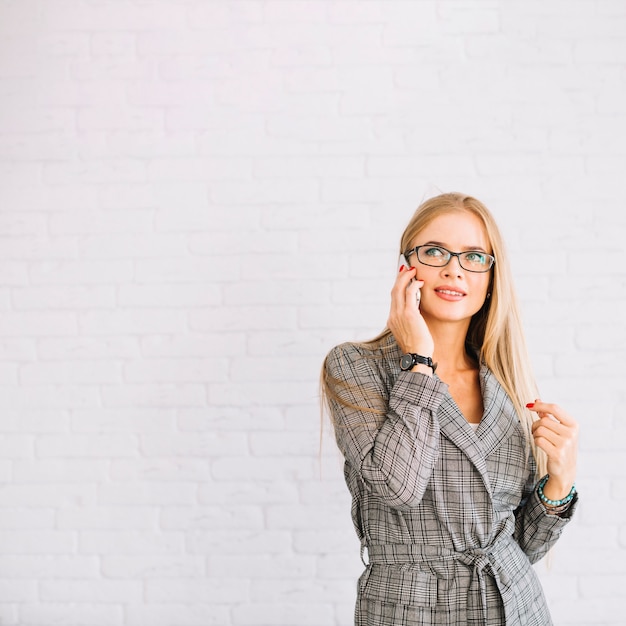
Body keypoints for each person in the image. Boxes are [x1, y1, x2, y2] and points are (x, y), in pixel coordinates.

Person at [321, 193, 578, 626]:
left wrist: (560, 482)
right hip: (410, 610)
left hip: (516, 610)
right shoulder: (354, 366)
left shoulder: (505, 383)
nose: (454, 268)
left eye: (475, 256)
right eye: (435, 251)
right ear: (407, 266)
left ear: (492, 278)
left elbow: (519, 548)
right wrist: (418, 359)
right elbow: (396, 487)